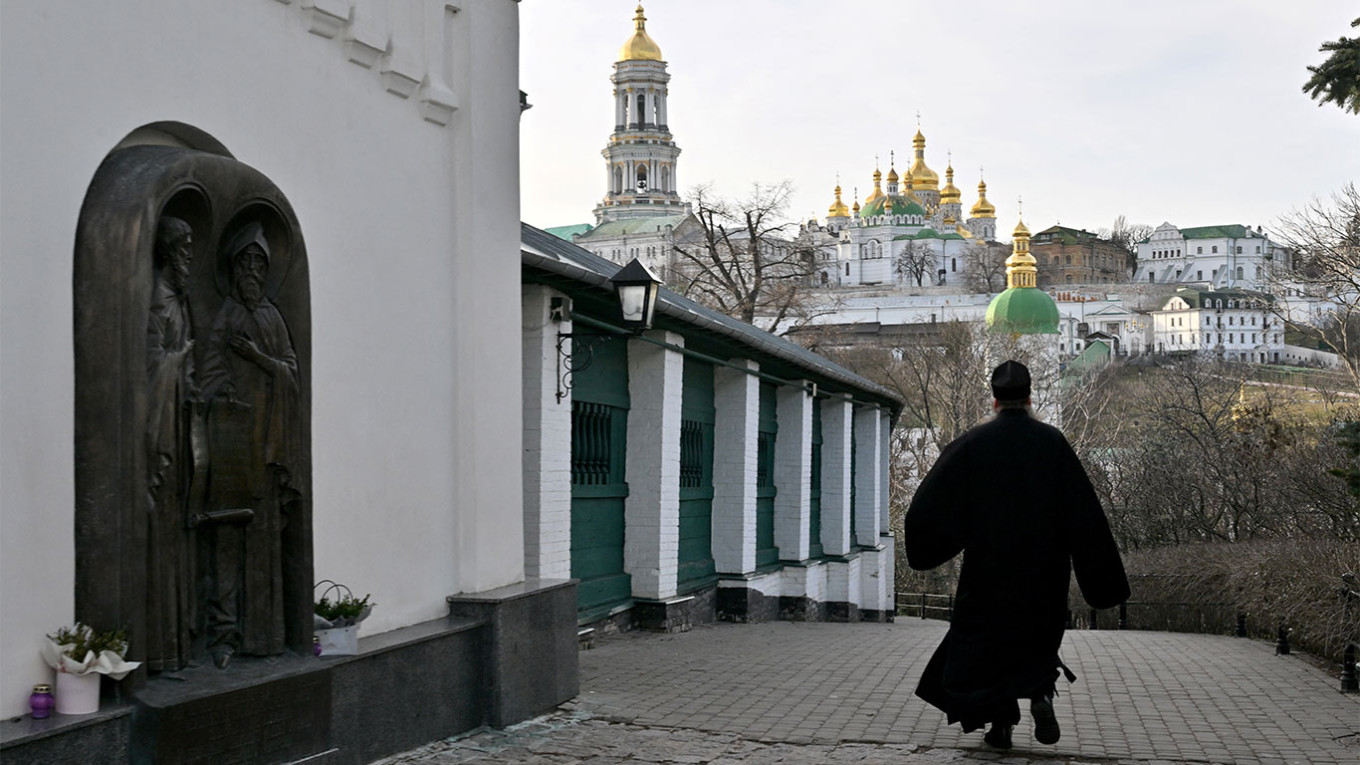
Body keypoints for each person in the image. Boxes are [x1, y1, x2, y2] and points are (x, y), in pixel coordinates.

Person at [903, 360, 1129, 749]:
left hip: (988, 571)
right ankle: (1040, 693)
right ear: (1029, 399)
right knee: (1035, 636)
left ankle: (1000, 727)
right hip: (1045, 571)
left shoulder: (972, 444)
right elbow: (1084, 514)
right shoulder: (1052, 443)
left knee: (986, 647)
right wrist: (1101, 578)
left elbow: (929, 506)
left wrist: (946, 539)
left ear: (995, 401)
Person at [199, 222, 300, 668]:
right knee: (226, 543)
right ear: (234, 267)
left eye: (260, 262)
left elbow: (291, 373)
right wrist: (224, 391)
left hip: (268, 448)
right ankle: (223, 637)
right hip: (232, 448)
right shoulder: (226, 314)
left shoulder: (273, 318)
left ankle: (265, 635)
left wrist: (257, 358)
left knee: (263, 545)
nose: (253, 270)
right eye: (246, 261)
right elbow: (207, 375)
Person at [145, 216, 198, 672]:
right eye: (183, 252)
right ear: (167, 253)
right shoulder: (159, 302)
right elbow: (153, 365)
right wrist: (177, 363)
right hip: (162, 432)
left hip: (182, 428)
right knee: (162, 537)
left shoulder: (179, 300)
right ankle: (162, 650)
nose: (190, 261)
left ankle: (180, 644)